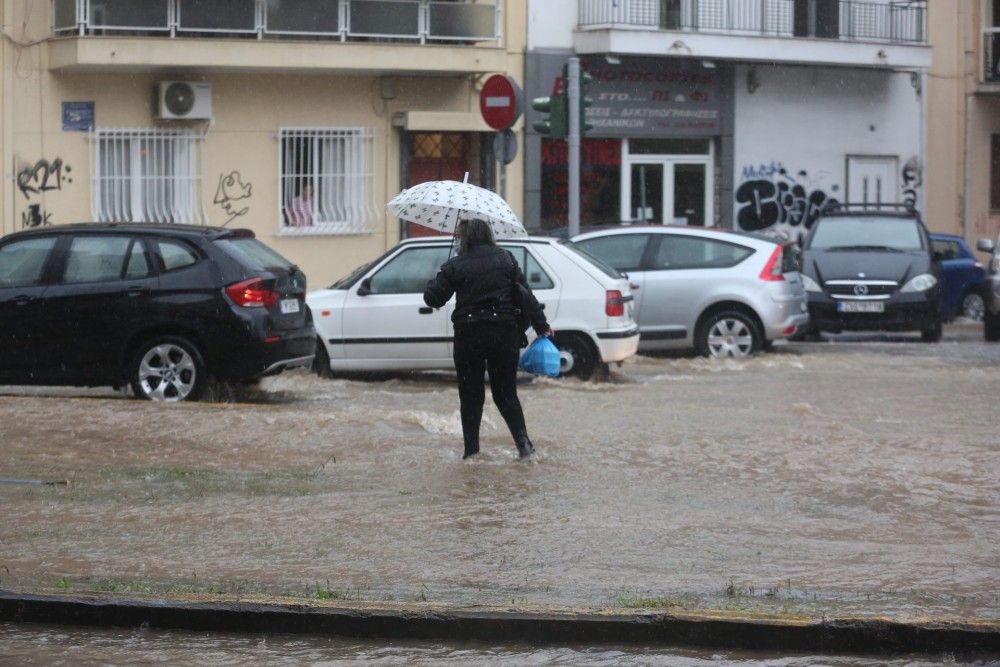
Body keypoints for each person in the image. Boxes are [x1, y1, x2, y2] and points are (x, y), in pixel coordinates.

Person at [424, 218, 552, 460]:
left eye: (461, 237)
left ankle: (471, 454)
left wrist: (440, 273)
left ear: (466, 238)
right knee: (506, 394)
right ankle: (525, 447)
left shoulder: (455, 265)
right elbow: (524, 294)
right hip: (503, 335)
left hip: (469, 336)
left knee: (471, 396)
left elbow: (433, 299)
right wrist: (542, 325)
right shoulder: (507, 259)